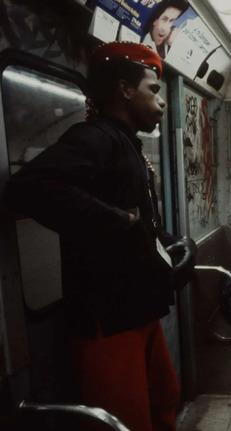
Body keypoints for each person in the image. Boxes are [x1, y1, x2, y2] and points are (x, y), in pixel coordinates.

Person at [4, 42, 197, 431]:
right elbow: (30, 187)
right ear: (125, 90)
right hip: (106, 318)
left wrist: (170, 243)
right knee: (127, 420)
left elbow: (138, 218)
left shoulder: (126, 144)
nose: (160, 103)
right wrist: (116, 221)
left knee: (165, 399)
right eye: (153, 90)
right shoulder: (95, 138)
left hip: (138, 309)